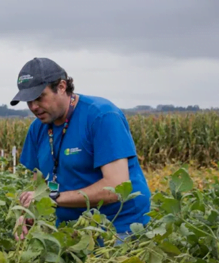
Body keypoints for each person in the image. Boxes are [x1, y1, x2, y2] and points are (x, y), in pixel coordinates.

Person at [11, 57, 151, 241]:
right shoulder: (38, 129)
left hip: (118, 226)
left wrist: (54, 198)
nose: (34, 107)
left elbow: (116, 187)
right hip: (71, 228)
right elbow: (41, 186)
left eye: (39, 98)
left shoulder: (101, 116)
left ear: (61, 87)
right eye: (28, 101)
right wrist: (30, 212)